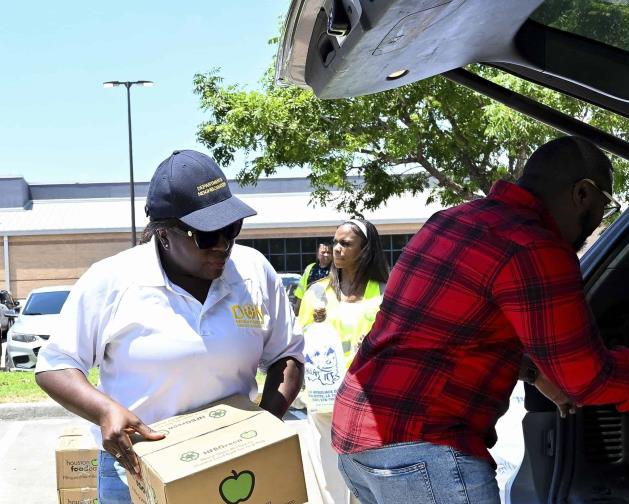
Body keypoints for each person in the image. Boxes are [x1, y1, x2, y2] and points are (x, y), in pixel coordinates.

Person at [331, 136, 629, 504]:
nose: (597, 221)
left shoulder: (453, 219)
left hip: (358, 441)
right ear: (583, 194)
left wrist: (536, 374)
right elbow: (592, 381)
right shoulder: (535, 247)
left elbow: (448, 332)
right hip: (423, 450)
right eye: (603, 206)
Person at [34, 149, 304, 504]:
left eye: (232, 229)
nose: (223, 245)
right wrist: (104, 411)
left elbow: (288, 356)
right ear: (164, 234)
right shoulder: (112, 280)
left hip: (238, 462)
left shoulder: (253, 271)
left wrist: (264, 428)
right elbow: (56, 366)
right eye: (207, 235)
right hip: (137, 467)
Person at [297, 218, 389, 504]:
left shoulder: (385, 293)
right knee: (330, 480)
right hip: (325, 401)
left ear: (365, 250)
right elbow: (300, 342)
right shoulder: (316, 293)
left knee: (368, 480)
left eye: (346, 244)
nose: (336, 249)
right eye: (335, 242)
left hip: (368, 401)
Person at [294, 242, 333, 313]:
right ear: (317, 254)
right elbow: (301, 290)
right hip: (309, 310)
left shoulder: (336, 270)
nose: (326, 255)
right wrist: (297, 310)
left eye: (329, 252)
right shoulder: (310, 268)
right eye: (323, 252)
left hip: (328, 309)